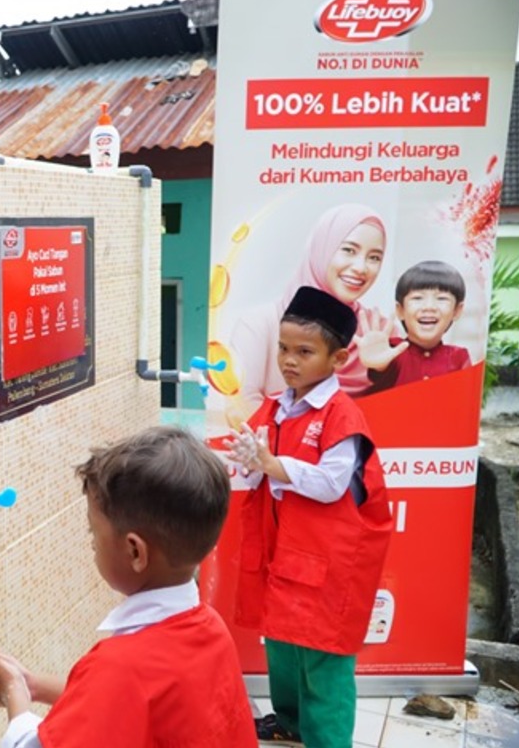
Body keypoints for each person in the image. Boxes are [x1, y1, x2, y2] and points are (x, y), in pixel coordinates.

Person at [0, 426, 258, 748]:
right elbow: (128, 706)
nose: (91, 545)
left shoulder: (121, 666)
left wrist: (14, 693)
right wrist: (35, 685)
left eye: (93, 532)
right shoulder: (212, 631)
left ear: (134, 552)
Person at [226, 285, 393, 748]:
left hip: (327, 565)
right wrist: (248, 460)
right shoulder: (276, 407)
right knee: (281, 646)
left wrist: (270, 465)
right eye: (282, 348)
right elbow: (256, 467)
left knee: (323, 660)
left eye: (304, 351)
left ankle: (329, 741)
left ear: (338, 359)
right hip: (287, 559)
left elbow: (330, 484)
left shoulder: (343, 416)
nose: (289, 361)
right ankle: (290, 723)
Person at [225, 203, 390, 421]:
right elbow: (241, 404)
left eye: (374, 257)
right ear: (321, 249)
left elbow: (400, 412)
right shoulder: (260, 324)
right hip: (273, 452)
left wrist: (383, 372)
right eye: (349, 250)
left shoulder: (379, 330)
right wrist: (305, 442)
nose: (361, 267)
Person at [362, 260, 471, 392]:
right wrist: (378, 366)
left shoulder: (459, 357)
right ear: (400, 310)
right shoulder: (392, 350)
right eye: (418, 298)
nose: (429, 307)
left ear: (457, 311)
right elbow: (380, 373)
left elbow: (465, 400)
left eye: (441, 298)